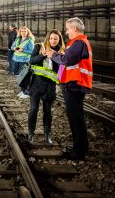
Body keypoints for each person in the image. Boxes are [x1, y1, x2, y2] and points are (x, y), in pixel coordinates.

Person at [46, 17, 92, 160]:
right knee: (75, 118)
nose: (66, 32)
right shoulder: (76, 43)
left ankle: (79, 152)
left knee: (76, 118)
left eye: (67, 29)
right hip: (72, 84)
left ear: (74, 29)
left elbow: (67, 61)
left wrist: (53, 55)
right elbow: (67, 60)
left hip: (75, 85)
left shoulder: (79, 42)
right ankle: (79, 147)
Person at [27, 30, 65, 144]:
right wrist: (43, 55)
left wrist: (56, 57)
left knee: (48, 111)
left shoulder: (61, 52)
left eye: (56, 39)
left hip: (50, 86)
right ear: (48, 38)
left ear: (59, 40)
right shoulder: (39, 46)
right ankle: (31, 133)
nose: (53, 41)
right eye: (51, 38)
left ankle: (47, 134)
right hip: (36, 85)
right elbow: (31, 61)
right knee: (33, 109)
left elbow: (60, 69)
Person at [11, 26, 35, 98]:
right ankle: (22, 91)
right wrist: (14, 48)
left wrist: (23, 50)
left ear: (27, 32)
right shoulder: (18, 39)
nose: (23, 33)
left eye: (25, 31)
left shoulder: (29, 41)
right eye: (22, 31)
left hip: (24, 60)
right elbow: (12, 47)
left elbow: (32, 52)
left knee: (24, 77)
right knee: (19, 77)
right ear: (20, 32)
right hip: (16, 60)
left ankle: (26, 93)